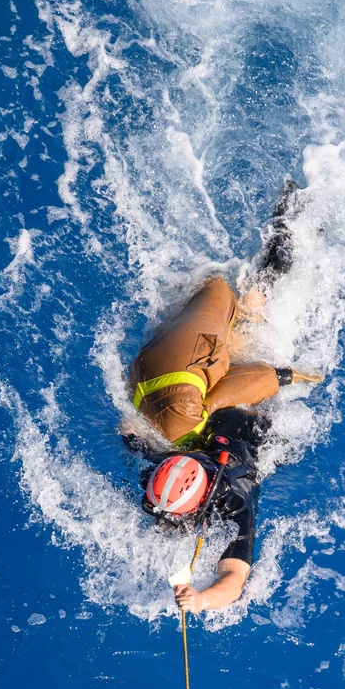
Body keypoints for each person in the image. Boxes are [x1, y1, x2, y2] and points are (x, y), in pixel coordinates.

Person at [123, 184, 319, 612]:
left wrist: (202, 601)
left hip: (247, 417)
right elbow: (133, 436)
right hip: (207, 407)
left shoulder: (234, 498)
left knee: (254, 317)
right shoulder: (168, 459)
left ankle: (287, 231)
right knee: (237, 333)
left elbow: (234, 579)